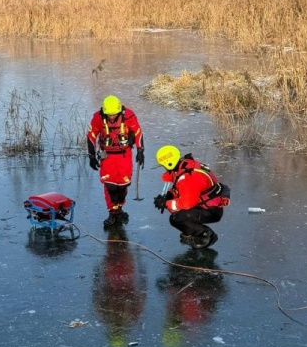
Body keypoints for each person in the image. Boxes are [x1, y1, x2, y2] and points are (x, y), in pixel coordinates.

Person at [153, 145, 230, 248]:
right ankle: (196, 231)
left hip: (211, 210)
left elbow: (186, 203)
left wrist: (166, 204)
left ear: (169, 163)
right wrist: (169, 195)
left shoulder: (188, 178)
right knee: (177, 211)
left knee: (177, 218)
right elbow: (179, 187)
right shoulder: (185, 165)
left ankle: (205, 235)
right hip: (208, 204)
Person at [87, 95, 144, 229]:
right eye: (109, 115)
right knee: (110, 185)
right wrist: (91, 156)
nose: (111, 117)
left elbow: (137, 132)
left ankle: (119, 207)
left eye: (114, 114)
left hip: (125, 155)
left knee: (123, 185)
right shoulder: (98, 118)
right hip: (107, 157)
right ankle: (112, 211)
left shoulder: (128, 116)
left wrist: (141, 151)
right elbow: (91, 136)